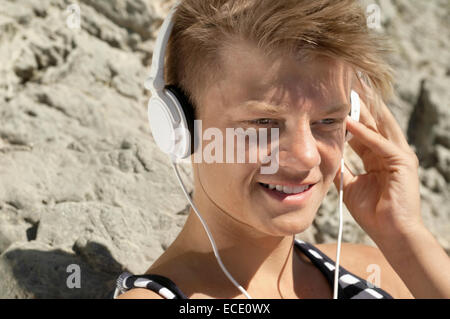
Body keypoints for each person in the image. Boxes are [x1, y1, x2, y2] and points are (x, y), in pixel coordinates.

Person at [116, 0, 450, 299]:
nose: (306, 155)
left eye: (329, 121)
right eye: (263, 122)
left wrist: (404, 235)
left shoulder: (382, 270)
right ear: (181, 127)